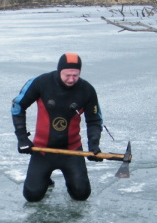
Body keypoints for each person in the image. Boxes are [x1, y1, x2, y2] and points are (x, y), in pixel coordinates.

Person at [11, 52, 104, 202]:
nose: (71, 79)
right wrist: (22, 138)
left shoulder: (87, 90)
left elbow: (94, 120)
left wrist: (94, 145)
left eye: (76, 75)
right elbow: (17, 106)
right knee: (32, 196)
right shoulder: (41, 83)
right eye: (67, 75)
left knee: (81, 194)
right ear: (59, 70)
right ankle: (45, 178)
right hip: (42, 150)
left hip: (72, 151)